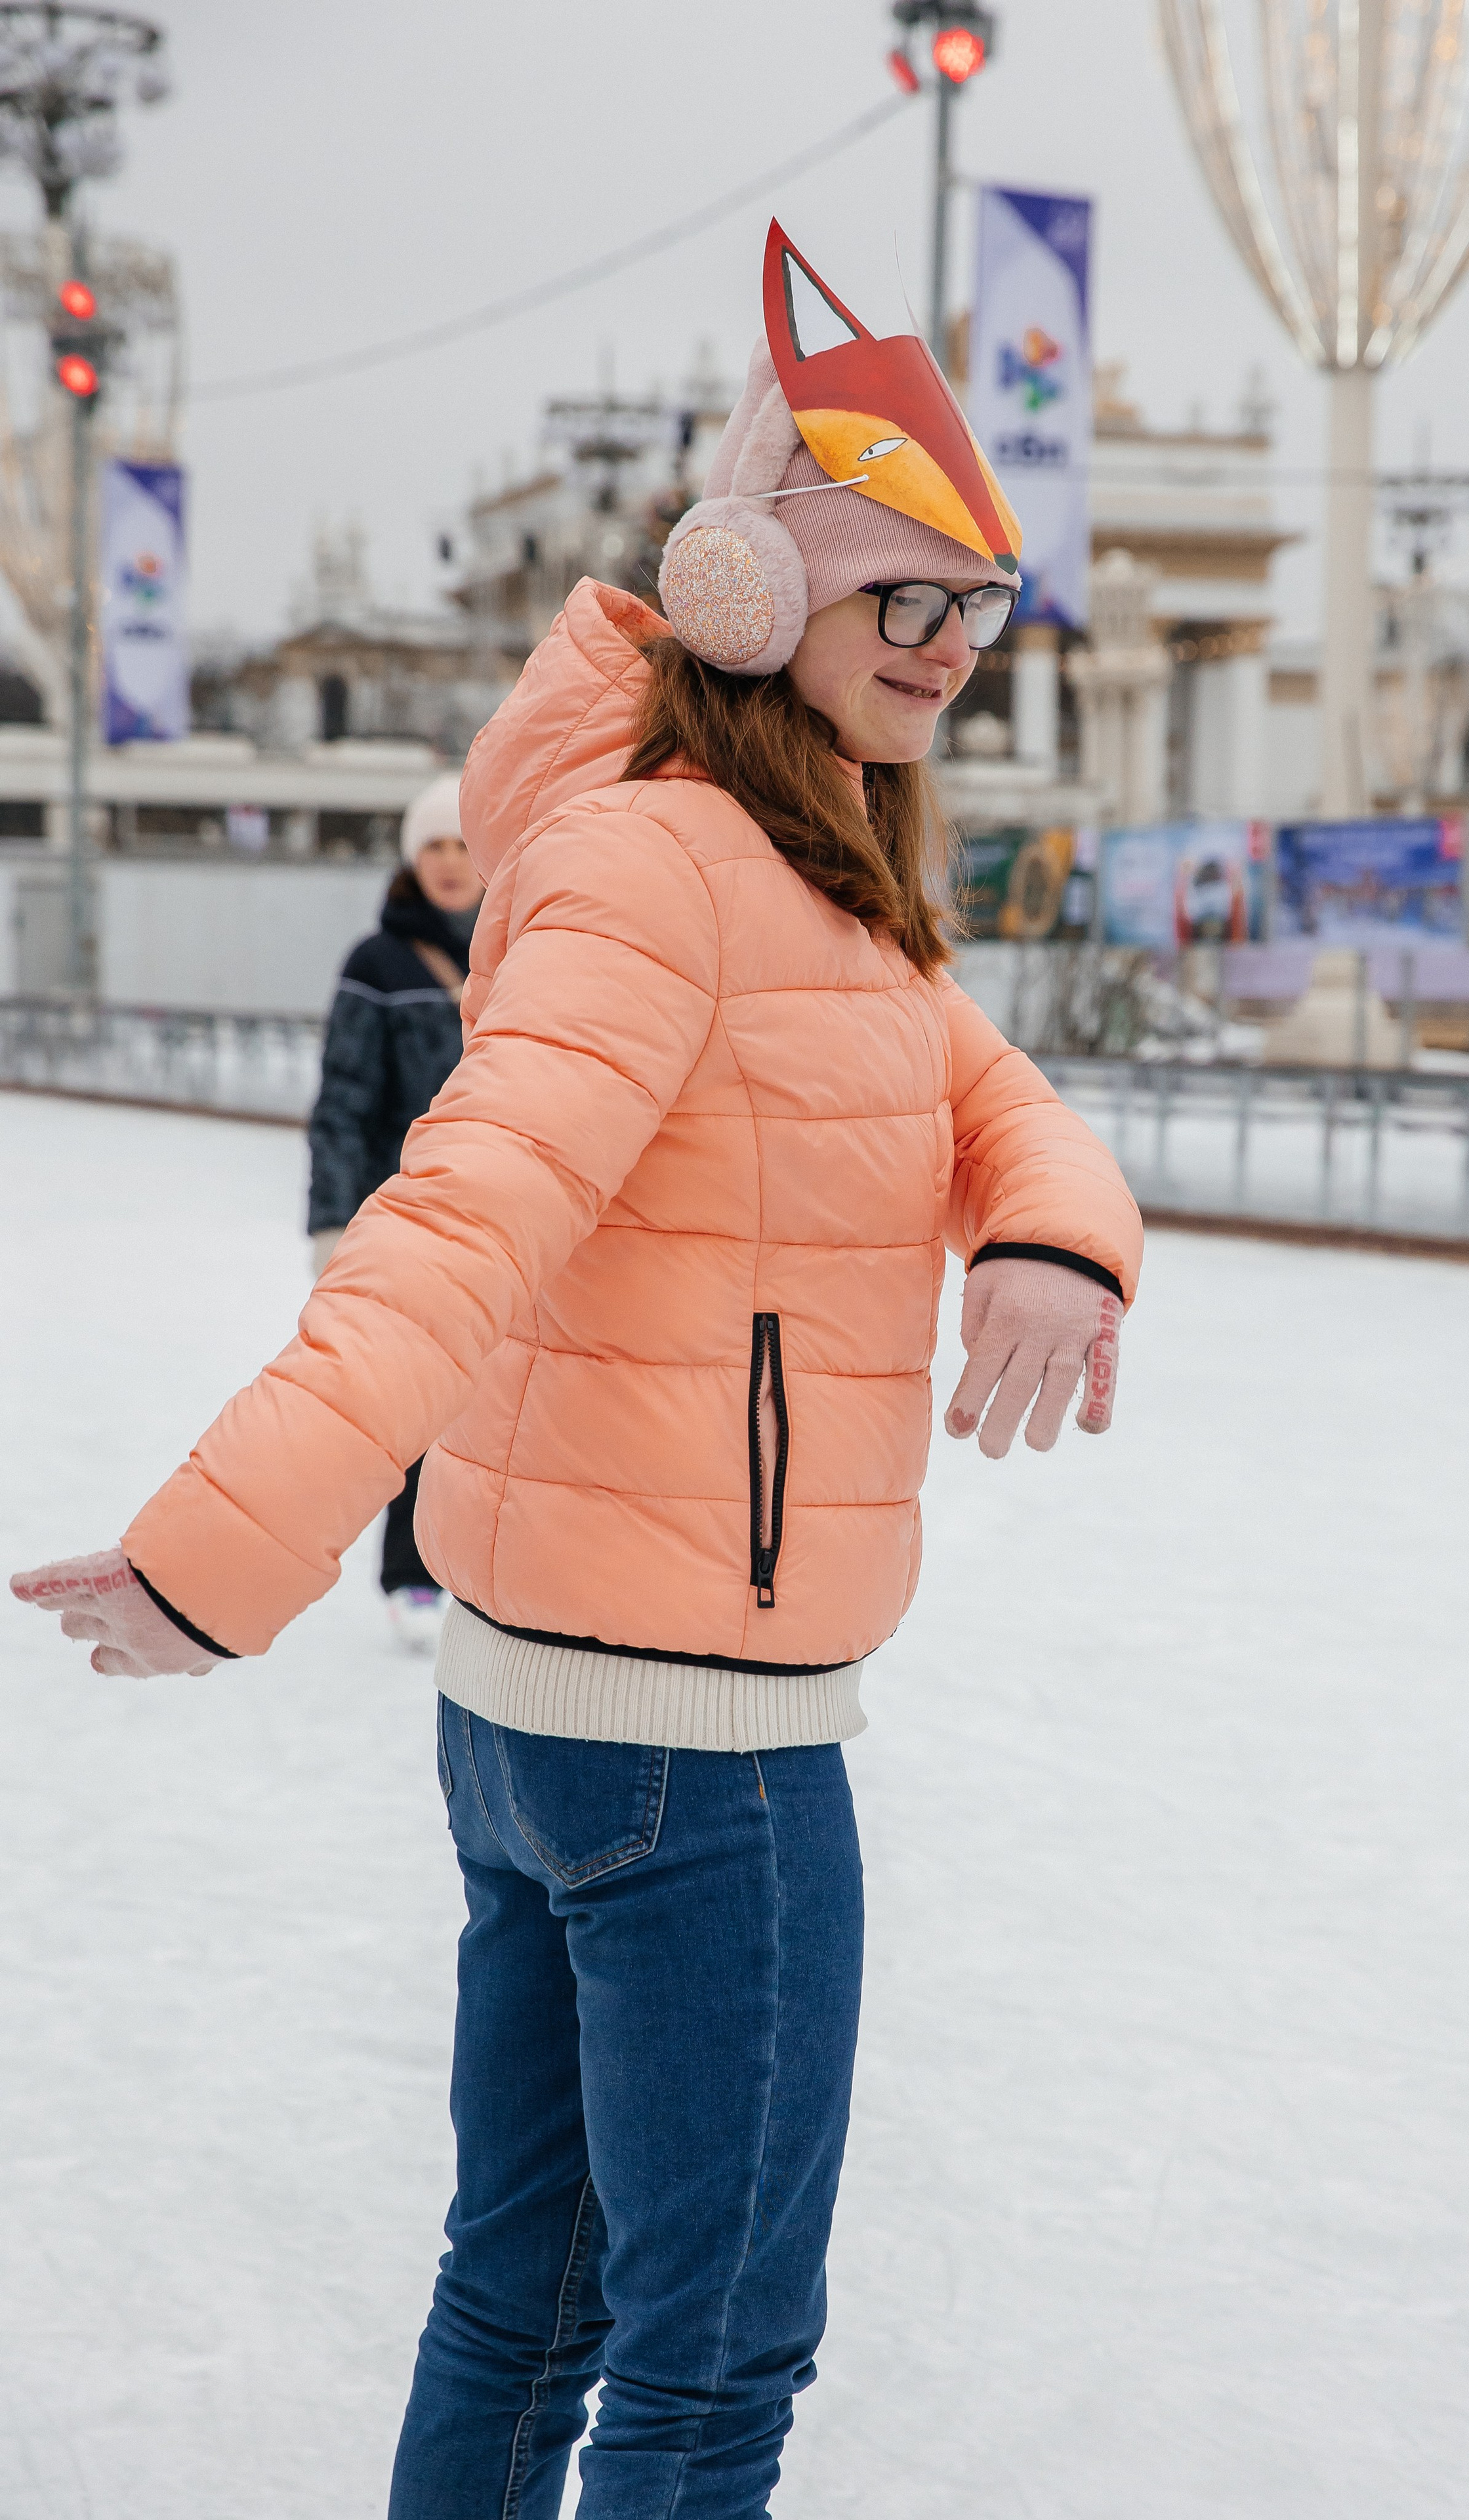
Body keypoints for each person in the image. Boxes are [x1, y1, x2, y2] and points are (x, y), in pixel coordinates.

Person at [13, 220, 1144, 2520]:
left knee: (520, 2312)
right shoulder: (673, 870)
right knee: (710, 2371)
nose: (945, 652)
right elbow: (461, 1219)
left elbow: (980, 1083)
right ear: (747, 597)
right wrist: (232, 1549)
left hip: (547, 1707)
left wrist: (1050, 1236)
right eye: (896, 599)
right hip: (690, 1750)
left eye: (978, 609)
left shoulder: (799, 871)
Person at [308, 773, 484, 1648]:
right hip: (405, 1215)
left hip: (509, 1213)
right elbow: (342, 1098)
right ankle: (414, 1574)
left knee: (509, 1395)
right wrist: (331, 1222)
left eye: (464, 845)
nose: (450, 864)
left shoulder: (525, 949)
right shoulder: (375, 964)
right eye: (435, 847)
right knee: (418, 1396)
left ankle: (496, 1571)